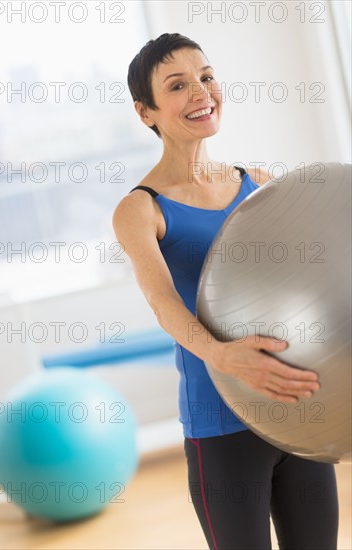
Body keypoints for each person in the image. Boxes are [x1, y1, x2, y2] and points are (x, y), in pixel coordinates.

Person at [112, 33, 338, 550]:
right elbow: (161, 299)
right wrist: (223, 357)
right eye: (178, 85)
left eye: (207, 77)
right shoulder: (140, 209)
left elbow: (310, 282)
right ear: (145, 112)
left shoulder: (260, 184)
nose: (201, 92)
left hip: (295, 405)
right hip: (219, 426)